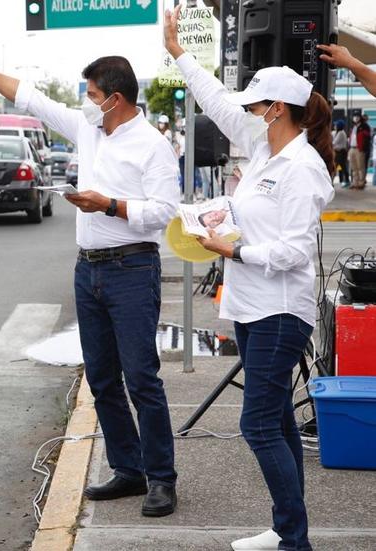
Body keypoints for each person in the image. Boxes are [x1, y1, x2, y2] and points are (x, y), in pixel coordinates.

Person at [0, 45, 181, 517]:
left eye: (93, 94)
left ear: (114, 99)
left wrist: (110, 205)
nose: (87, 102)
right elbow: (28, 97)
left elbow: (163, 213)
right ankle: (128, 469)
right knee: (101, 377)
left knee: (141, 378)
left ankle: (161, 479)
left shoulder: (154, 145)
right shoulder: (89, 128)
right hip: (89, 269)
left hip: (133, 270)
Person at [165, 6, 334, 551]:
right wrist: (180, 55)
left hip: (281, 311)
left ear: (276, 109)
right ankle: (289, 531)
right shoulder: (265, 149)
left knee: (258, 426)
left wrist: (233, 249)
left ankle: (295, 541)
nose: (248, 112)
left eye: (256, 105)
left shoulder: (302, 167)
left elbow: (291, 251)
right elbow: (215, 101)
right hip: (252, 307)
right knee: (279, 423)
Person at [347, 113, 371, 189]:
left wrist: (363, 148)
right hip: (352, 148)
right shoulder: (353, 127)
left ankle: (361, 183)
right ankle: (355, 182)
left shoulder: (364, 126)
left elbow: (367, 137)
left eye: (357, 116)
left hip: (359, 149)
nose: (356, 118)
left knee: (360, 167)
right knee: (354, 167)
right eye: (355, 116)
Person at [332, 120, 350, 187]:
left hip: (341, 152)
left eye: (336, 125)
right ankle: (344, 180)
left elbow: (334, 142)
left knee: (338, 166)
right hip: (338, 152)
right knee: (341, 167)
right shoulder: (337, 132)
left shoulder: (341, 133)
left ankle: (333, 181)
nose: (334, 126)